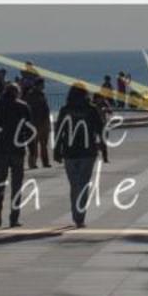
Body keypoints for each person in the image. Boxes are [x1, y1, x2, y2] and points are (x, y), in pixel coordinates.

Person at [54, 82, 108, 226]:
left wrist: (56, 150)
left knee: (74, 185)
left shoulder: (65, 110)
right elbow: (100, 129)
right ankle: (80, 215)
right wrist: (104, 148)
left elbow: (59, 131)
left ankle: (75, 212)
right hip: (87, 151)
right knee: (84, 184)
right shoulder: (91, 109)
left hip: (69, 152)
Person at [0, 76, 32, 228]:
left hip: (0, 150)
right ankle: (14, 217)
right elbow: (29, 129)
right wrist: (30, 147)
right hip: (17, 149)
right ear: (17, 93)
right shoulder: (23, 106)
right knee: (16, 185)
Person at [24, 76, 52, 169]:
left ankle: (45, 162)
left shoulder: (41, 94)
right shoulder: (31, 95)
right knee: (34, 144)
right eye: (42, 84)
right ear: (38, 85)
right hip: (35, 122)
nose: (43, 86)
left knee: (44, 143)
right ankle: (32, 163)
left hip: (43, 122)